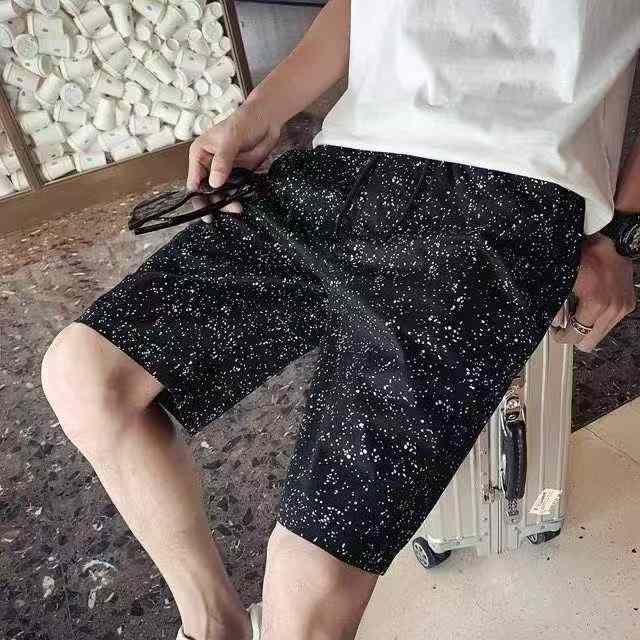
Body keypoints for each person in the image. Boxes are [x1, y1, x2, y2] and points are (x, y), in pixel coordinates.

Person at [41, 1, 640, 639]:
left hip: (509, 190)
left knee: (311, 583)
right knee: (87, 376)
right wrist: (258, 113)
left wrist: (623, 235)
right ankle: (215, 625)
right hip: (349, 160)